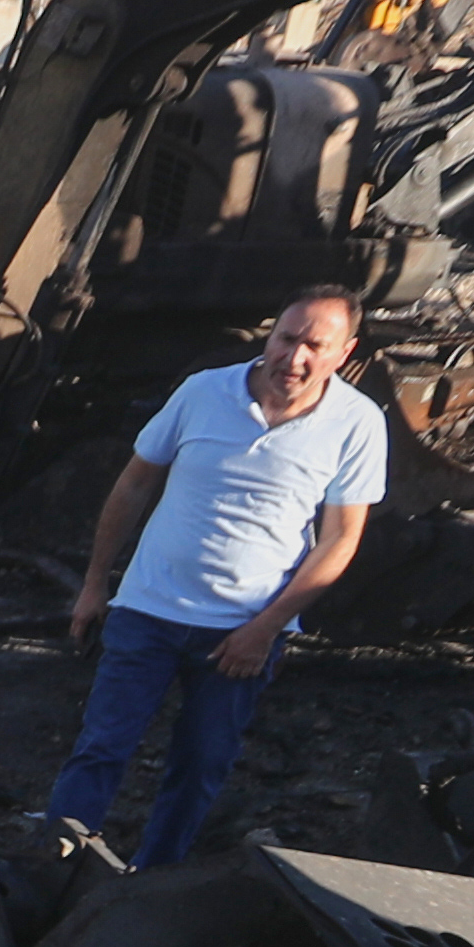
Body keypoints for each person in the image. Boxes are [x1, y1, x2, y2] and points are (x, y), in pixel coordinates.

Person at [47, 292, 386, 863]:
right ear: (270, 334)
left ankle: (152, 878)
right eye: (286, 337)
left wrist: (267, 629)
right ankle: (50, 864)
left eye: (314, 346)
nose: (294, 357)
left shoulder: (357, 423)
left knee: (203, 760)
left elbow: (341, 539)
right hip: (148, 609)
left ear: (345, 353)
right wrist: (95, 583)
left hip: (240, 632)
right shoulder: (204, 392)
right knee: (101, 746)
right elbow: (133, 485)